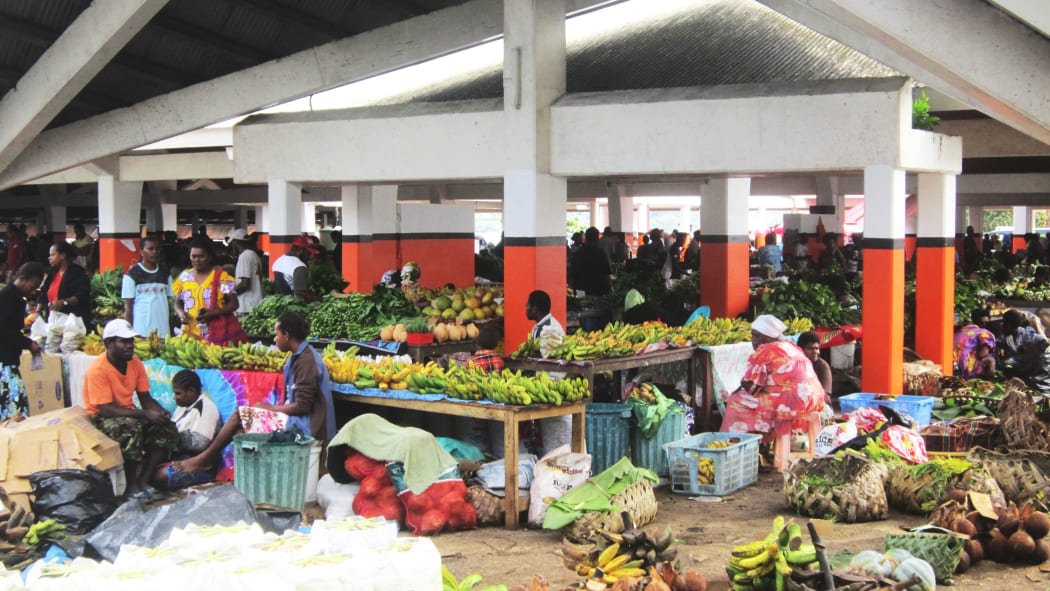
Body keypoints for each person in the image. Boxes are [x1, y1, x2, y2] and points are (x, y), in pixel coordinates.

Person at [174, 311, 336, 474]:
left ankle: (204, 460)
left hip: (306, 427)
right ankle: (215, 465)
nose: (274, 339)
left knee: (240, 415)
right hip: (296, 420)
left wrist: (269, 408)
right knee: (241, 431)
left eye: (276, 335)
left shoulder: (307, 361)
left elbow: (303, 406)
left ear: (286, 335)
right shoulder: (297, 357)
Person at [84, 319, 178, 500]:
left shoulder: (135, 364)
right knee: (130, 428)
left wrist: (160, 413)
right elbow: (104, 409)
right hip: (101, 417)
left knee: (165, 428)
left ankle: (144, 480)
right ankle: (131, 486)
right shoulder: (98, 369)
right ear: (109, 343)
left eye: (131, 341)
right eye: (124, 342)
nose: (130, 346)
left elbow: (145, 398)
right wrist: (144, 414)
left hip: (128, 413)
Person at [720, 315, 826, 454]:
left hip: (791, 403)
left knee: (735, 401)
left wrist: (740, 384)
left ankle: (734, 447)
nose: (753, 340)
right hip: (813, 399)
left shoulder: (766, 351)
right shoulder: (790, 346)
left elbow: (753, 387)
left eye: (756, 336)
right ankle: (762, 446)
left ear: (767, 337)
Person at [152, 370, 222, 491]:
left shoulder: (207, 408)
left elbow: (200, 443)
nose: (174, 397)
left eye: (178, 393)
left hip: (198, 463)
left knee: (160, 476)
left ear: (191, 391)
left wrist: (171, 435)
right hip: (179, 457)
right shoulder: (183, 407)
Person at [173, 237, 245, 345]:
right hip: (190, 334)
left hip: (215, 334)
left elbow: (234, 303)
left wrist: (214, 313)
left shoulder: (222, 278)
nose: (197, 260)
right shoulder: (184, 277)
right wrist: (181, 314)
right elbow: (178, 302)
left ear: (210, 257)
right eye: (194, 256)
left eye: (201, 256)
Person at [0, 262, 45, 420]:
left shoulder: (16, 297)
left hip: (9, 359)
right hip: (4, 361)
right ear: (23, 279)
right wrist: (27, 343)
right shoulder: (8, 297)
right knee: (16, 412)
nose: (33, 291)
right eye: (32, 286)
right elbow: (3, 329)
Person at [122, 235, 173, 338]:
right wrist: (128, 332)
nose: (154, 252)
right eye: (150, 249)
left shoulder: (165, 274)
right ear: (141, 252)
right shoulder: (131, 275)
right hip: (141, 331)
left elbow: (169, 301)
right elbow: (128, 307)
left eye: (157, 249)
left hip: (163, 331)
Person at [38, 241, 92, 326]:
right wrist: (38, 310)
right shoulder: (52, 273)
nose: (49, 258)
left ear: (63, 255)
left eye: (53, 255)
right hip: (53, 321)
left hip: (71, 322)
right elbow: (43, 293)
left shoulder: (76, 272)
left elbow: (82, 295)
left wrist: (63, 302)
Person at [999, 309, 1050, 391]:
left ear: (1009, 325)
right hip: (1020, 370)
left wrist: (1030, 351)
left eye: (1004, 324)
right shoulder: (1007, 337)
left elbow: (1044, 344)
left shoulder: (1028, 336)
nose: (1002, 326)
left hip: (1033, 373)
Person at [953, 308, 997, 379]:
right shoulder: (984, 333)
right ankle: (987, 384)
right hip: (967, 370)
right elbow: (982, 354)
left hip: (952, 366)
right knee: (991, 360)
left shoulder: (961, 332)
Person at [228, 229, 263, 317]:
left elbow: (244, 284)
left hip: (246, 307)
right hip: (255, 304)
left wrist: (230, 294)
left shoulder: (244, 256)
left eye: (232, 243)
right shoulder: (254, 255)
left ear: (235, 242)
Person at [272, 236, 318, 301]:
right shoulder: (299, 267)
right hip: (294, 306)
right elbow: (300, 293)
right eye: (307, 252)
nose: (308, 255)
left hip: (279, 303)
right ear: (301, 250)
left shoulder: (278, 261)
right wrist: (319, 300)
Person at [570, 227, 612, 296]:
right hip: (598, 290)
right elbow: (606, 273)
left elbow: (574, 274)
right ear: (597, 239)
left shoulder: (579, 253)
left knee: (581, 305)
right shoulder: (600, 254)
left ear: (586, 238)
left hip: (581, 289)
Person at [526, 290, 564, 359]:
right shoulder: (536, 327)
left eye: (527, 305)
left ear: (534, 309)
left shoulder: (551, 328)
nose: (526, 309)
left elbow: (550, 358)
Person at [797, 331, 832, 397]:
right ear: (801, 349)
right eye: (810, 348)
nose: (815, 352)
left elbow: (825, 394)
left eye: (816, 348)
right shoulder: (795, 364)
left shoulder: (823, 366)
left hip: (819, 401)